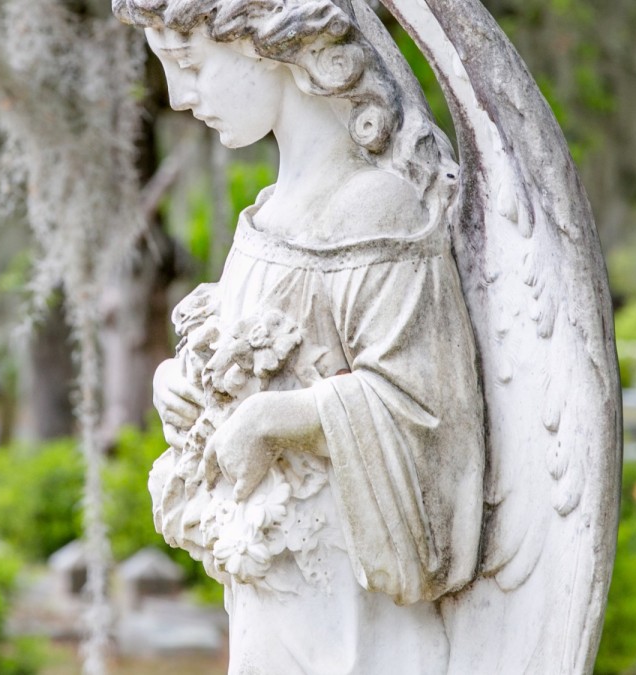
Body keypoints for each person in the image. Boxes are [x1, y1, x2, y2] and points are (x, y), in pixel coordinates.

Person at [116, 0, 487, 672]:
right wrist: (181, 383)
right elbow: (254, 352)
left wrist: (276, 417)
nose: (178, 95)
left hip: (353, 607)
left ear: (267, 43)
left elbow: (429, 412)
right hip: (271, 585)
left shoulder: (375, 210)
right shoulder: (272, 209)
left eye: (189, 63)